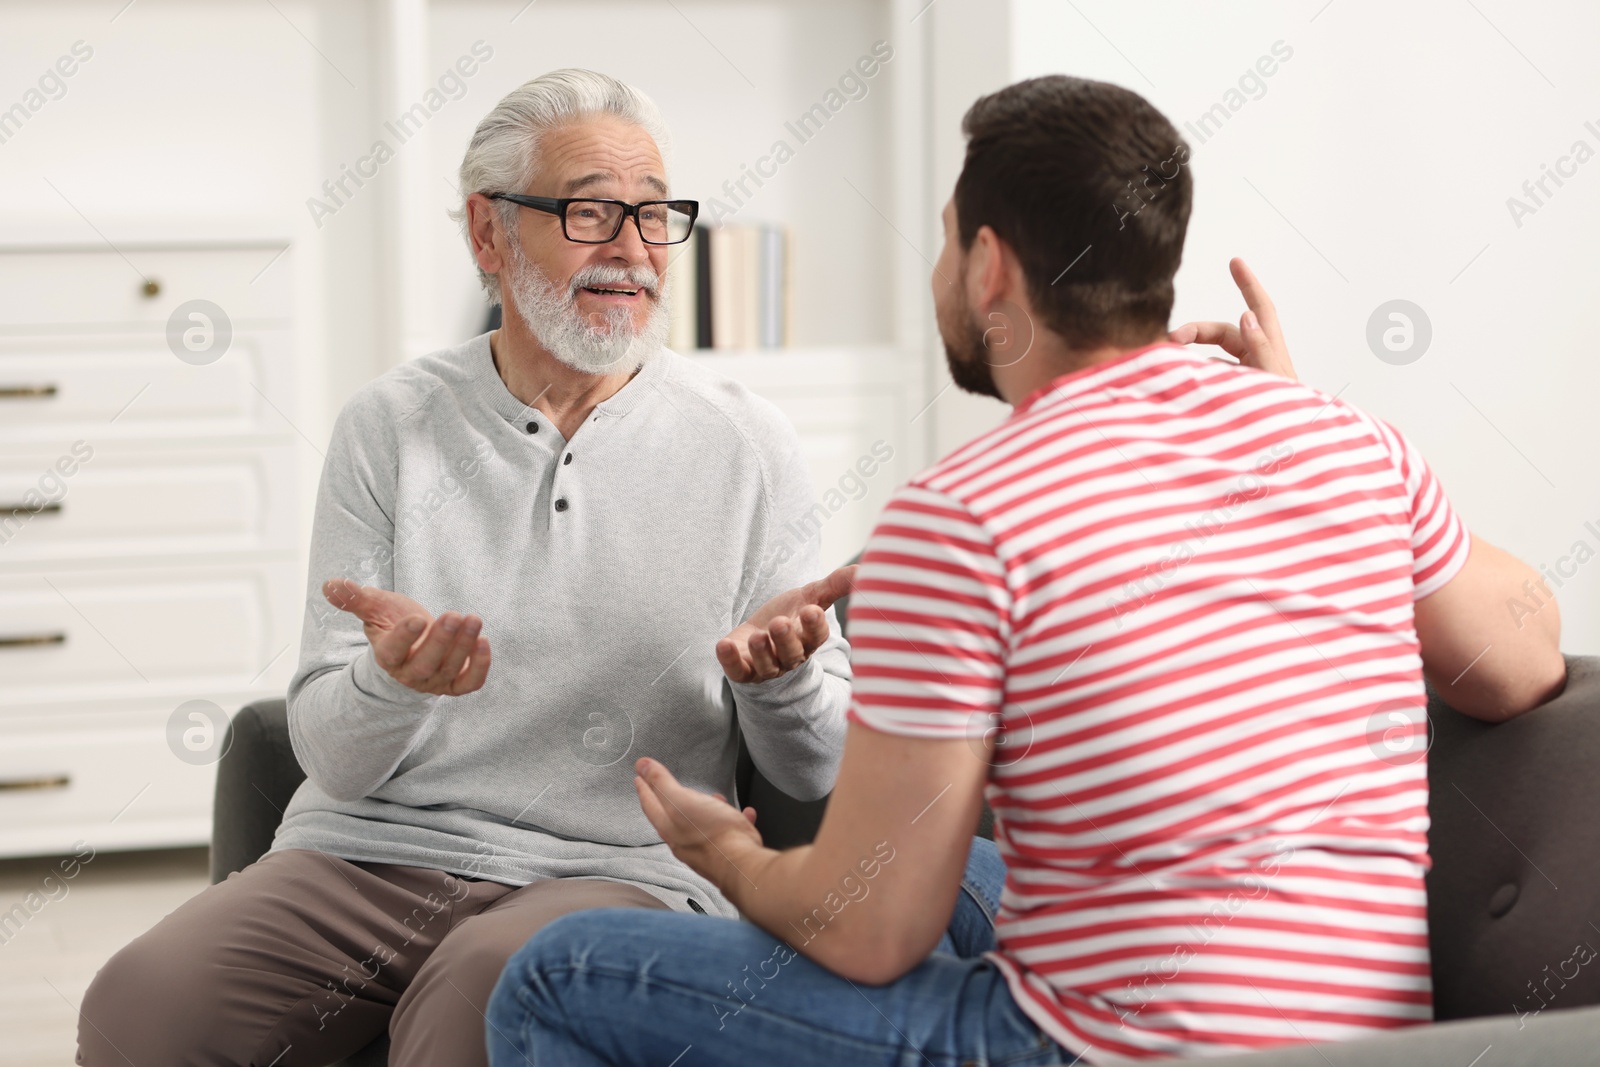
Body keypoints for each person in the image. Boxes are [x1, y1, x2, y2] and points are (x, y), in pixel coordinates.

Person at [485, 74, 1567, 1065]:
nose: (938, 273)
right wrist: (1299, 413)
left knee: (557, 970)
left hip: (1095, 1050)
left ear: (990, 265)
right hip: (1366, 1045)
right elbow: (1518, 660)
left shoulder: (962, 512)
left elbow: (870, 934)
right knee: (946, 861)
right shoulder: (1347, 444)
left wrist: (732, 859)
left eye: (948, 242)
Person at [77, 68, 1010, 1067]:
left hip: (610, 865)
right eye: (592, 211)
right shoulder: (387, 426)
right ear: (489, 232)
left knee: (479, 997)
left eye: (656, 217)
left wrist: (779, 683)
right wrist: (390, 684)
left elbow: (812, 771)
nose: (634, 250)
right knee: (139, 1004)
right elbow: (330, 753)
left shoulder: (749, 445)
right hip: (367, 852)